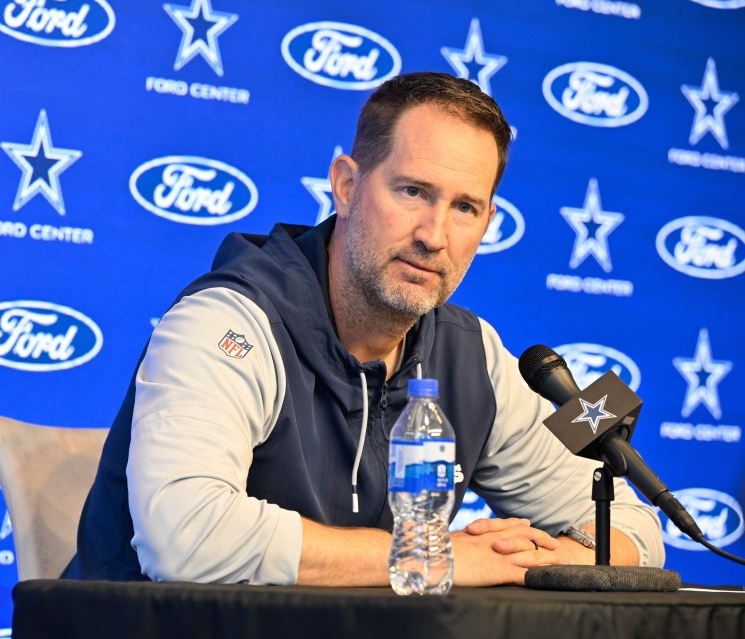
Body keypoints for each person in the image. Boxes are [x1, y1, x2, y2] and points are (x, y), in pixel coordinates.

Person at [63, 71, 665, 586]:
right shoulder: (227, 321)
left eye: (464, 207)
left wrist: (551, 557)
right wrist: (440, 555)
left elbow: (635, 526)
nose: (434, 235)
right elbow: (186, 538)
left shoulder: (474, 357)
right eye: (412, 191)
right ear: (347, 185)